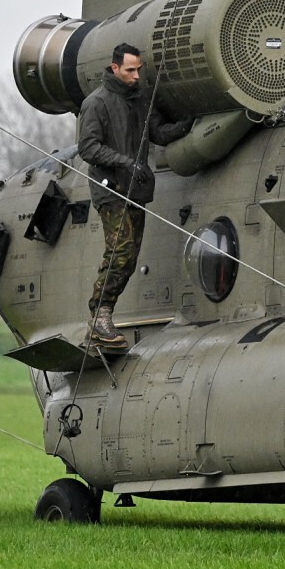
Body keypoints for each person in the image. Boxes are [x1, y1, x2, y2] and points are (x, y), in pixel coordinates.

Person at [76, 43, 191, 351]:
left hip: (136, 189)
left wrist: (184, 127)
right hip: (111, 189)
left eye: (139, 69)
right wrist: (125, 162)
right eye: (130, 70)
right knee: (121, 251)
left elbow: (157, 133)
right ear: (115, 68)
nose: (137, 75)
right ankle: (99, 317)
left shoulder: (140, 99)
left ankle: (102, 318)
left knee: (129, 257)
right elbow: (88, 148)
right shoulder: (96, 103)